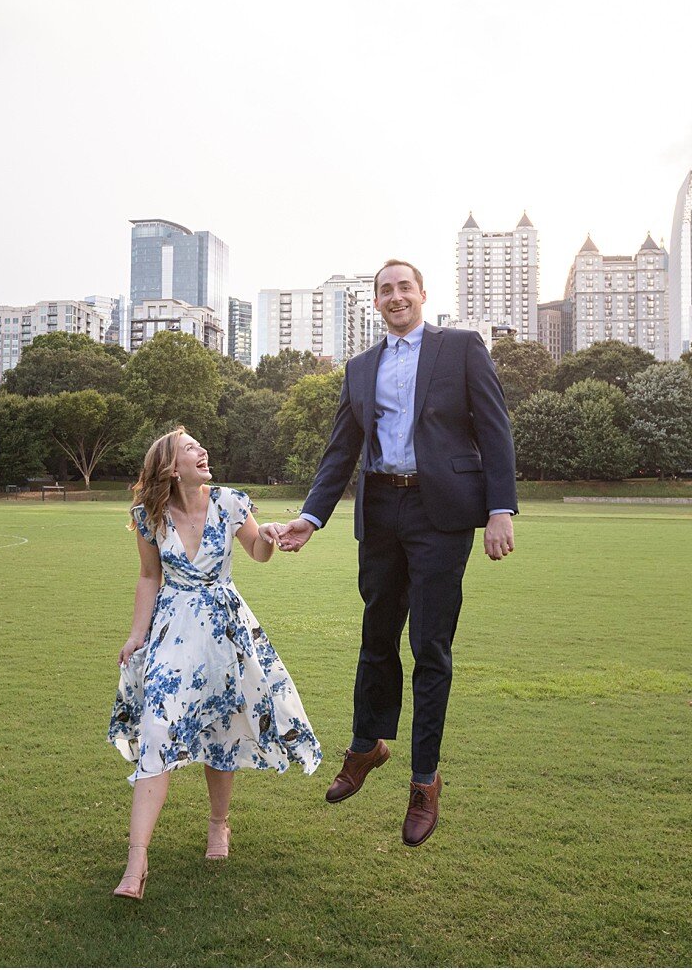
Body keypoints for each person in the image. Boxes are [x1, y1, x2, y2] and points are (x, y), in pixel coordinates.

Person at [265, 259, 516, 848]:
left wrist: (500, 509)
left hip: (441, 514)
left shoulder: (460, 348)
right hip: (380, 511)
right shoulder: (359, 368)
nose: (396, 296)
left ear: (423, 294)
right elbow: (340, 451)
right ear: (375, 302)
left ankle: (424, 782)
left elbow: (495, 428)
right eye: (385, 290)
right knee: (376, 637)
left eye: (405, 287)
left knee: (430, 645)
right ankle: (367, 743)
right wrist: (310, 516)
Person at [107, 427, 320, 900]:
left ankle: (219, 824)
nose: (202, 451)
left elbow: (258, 555)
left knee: (222, 727)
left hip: (225, 629)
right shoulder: (149, 516)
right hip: (173, 629)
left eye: (201, 446)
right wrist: (136, 634)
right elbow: (148, 576)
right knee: (158, 729)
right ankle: (136, 861)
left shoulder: (230, 503)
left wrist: (266, 536)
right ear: (169, 466)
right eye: (190, 448)